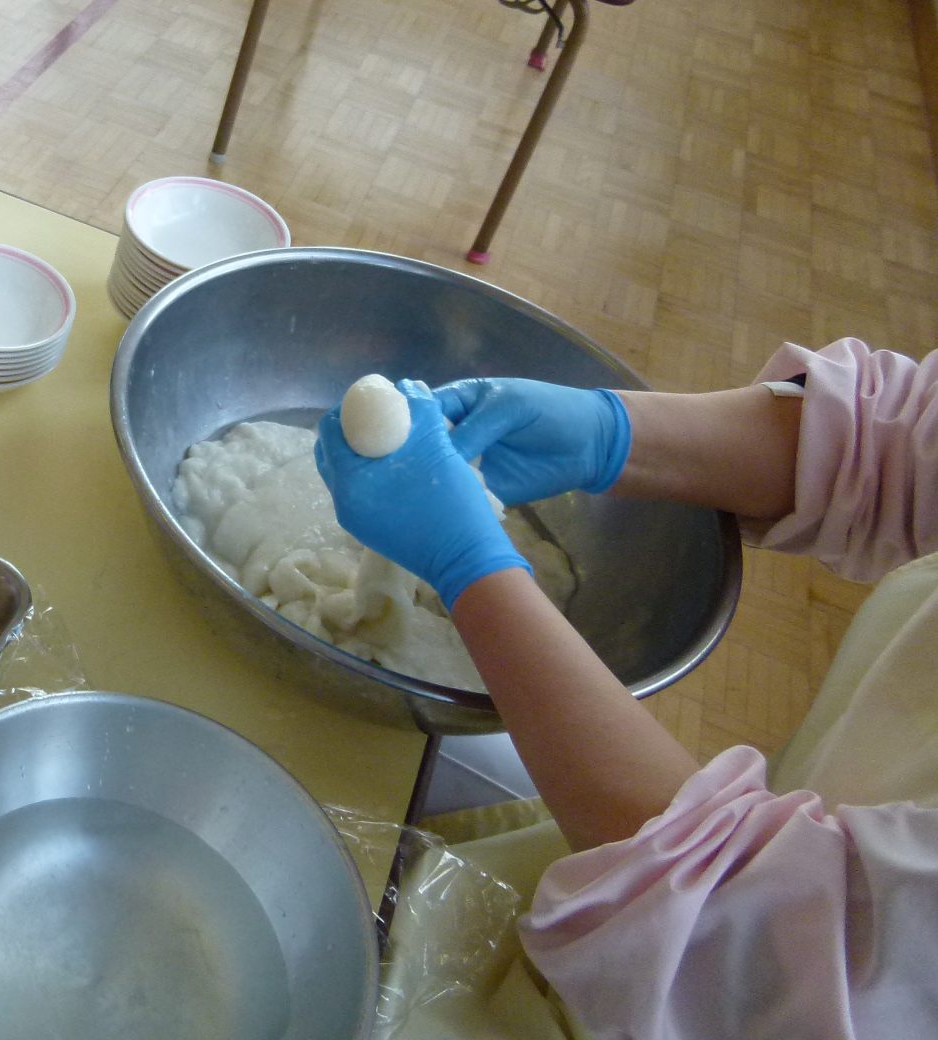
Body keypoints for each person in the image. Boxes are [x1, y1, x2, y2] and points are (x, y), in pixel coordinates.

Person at [313, 345, 938, 1037]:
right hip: (707, 858)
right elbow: (905, 444)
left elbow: (750, 963)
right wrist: (612, 431)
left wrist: (469, 562)